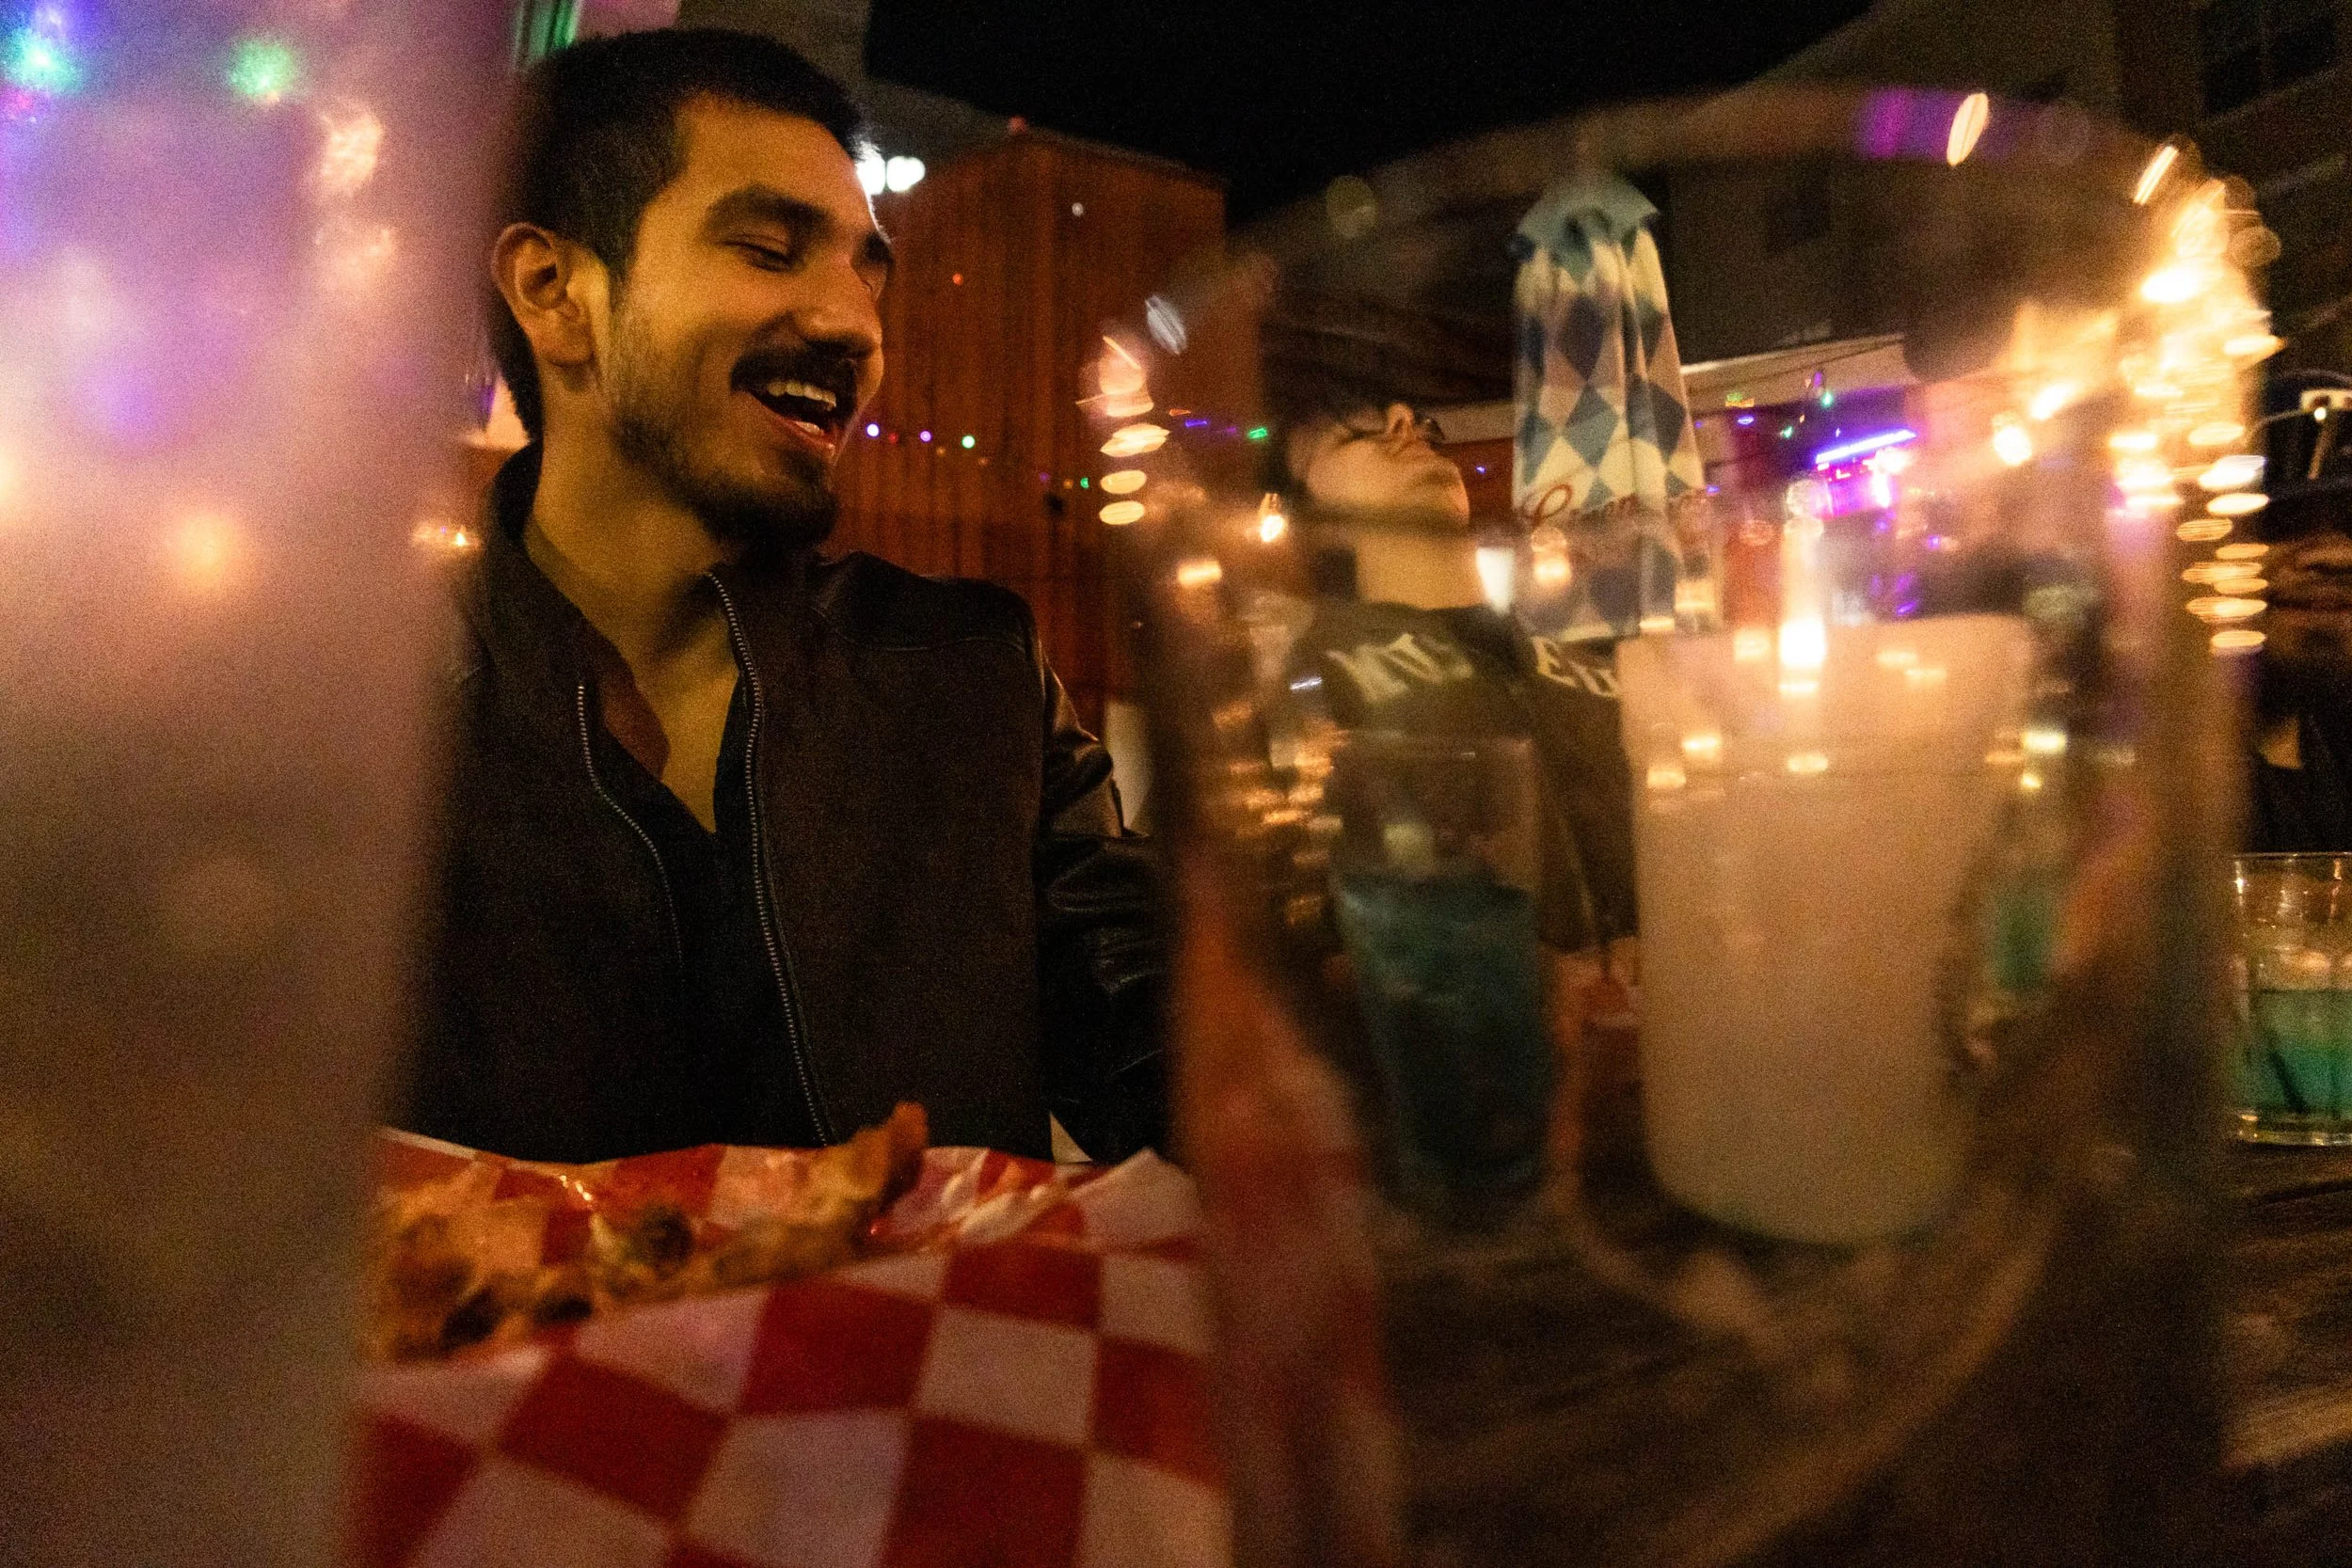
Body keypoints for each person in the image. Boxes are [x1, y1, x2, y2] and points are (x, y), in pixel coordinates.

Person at [405, 29, 1166, 1165]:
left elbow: (1158, 1038)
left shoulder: (970, 674)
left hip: (945, 1345)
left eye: (866, 270)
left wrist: (1372, 1018)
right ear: (554, 291)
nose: (855, 325)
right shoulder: (354, 721)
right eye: (769, 249)